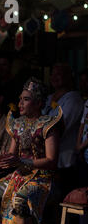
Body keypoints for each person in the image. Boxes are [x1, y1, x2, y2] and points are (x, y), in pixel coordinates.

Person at [0, 78, 61, 224]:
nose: (20, 103)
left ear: (38, 103)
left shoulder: (47, 125)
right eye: (20, 99)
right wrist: (3, 161)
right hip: (18, 176)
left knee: (21, 198)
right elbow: (12, 155)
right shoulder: (18, 123)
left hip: (43, 179)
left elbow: (51, 160)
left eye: (26, 99)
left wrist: (23, 162)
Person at [42, 63, 84, 196]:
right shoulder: (48, 98)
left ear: (69, 76)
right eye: (53, 74)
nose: (55, 77)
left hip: (64, 164)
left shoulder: (74, 99)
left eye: (59, 74)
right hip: (47, 163)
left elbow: (60, 127)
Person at [75, 69, 88, 187]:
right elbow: (82, 125)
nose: (84, 85)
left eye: (86, 81)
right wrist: (78, 146)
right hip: (83, 152)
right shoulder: (86, 103)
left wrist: (81, 146)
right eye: (82, 81)